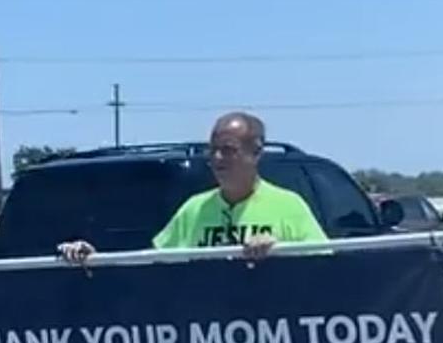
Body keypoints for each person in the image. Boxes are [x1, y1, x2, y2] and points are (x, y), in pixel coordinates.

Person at [59, 111, 328, 263]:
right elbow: (149, 267)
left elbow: (329, 269)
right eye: (213, 151)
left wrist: (279, 252)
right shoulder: (194, 209)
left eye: (228, 150)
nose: (217, 158)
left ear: (256, 153)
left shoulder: (289, 206)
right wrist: (95, 258)